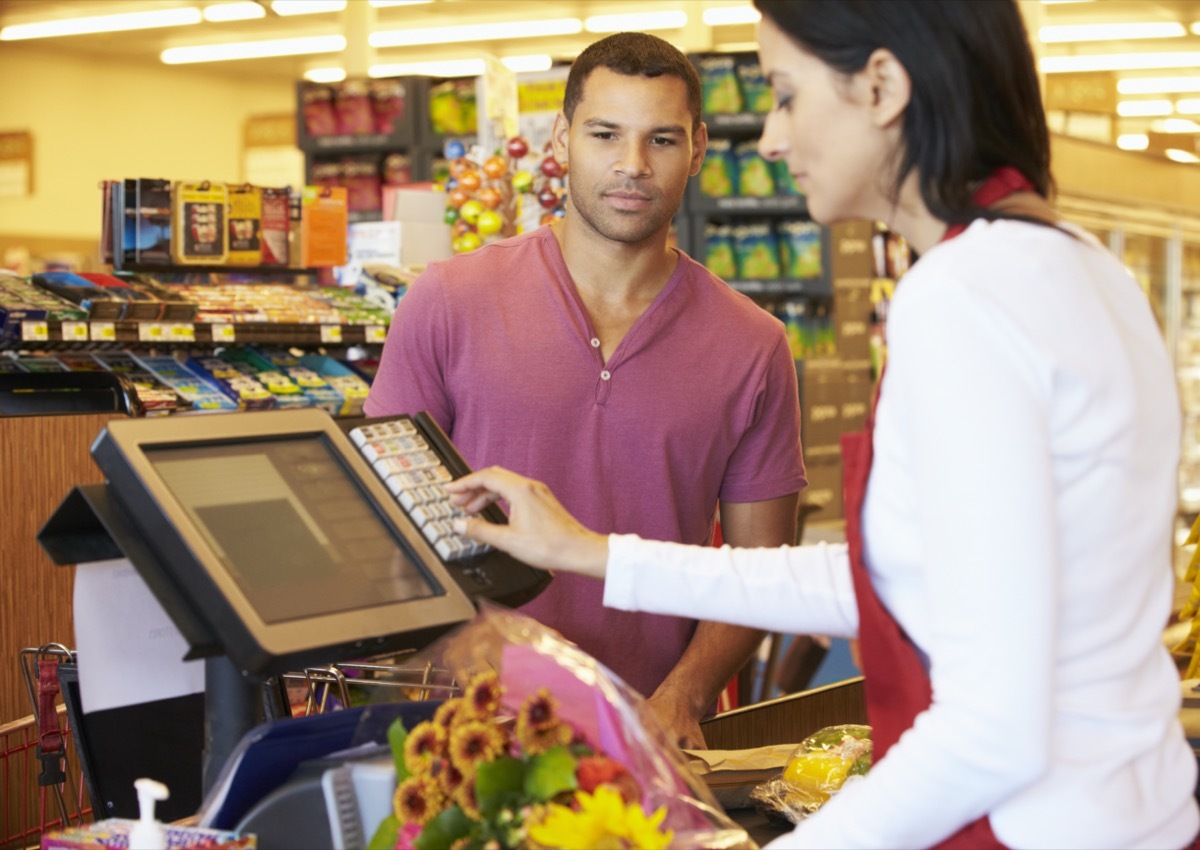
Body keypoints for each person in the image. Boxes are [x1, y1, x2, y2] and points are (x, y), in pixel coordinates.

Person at [444, 1, 1200, 847]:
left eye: (786, 93)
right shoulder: (1074, 263)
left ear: (881, 86)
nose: (768, 137)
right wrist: (588, 552)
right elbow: (901, 579)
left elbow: (992, 732)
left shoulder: (963, 298)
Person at [364, 31, 806, 749]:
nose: (632, 166)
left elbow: (760, 574)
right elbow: (382, 516)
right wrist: (454, 645)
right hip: (468, 730)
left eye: (661, 139)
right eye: (606, 134)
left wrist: (683, 696)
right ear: (563, 139)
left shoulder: (754, 345)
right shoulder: (447, 301)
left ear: (697, 149)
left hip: (652, 739)